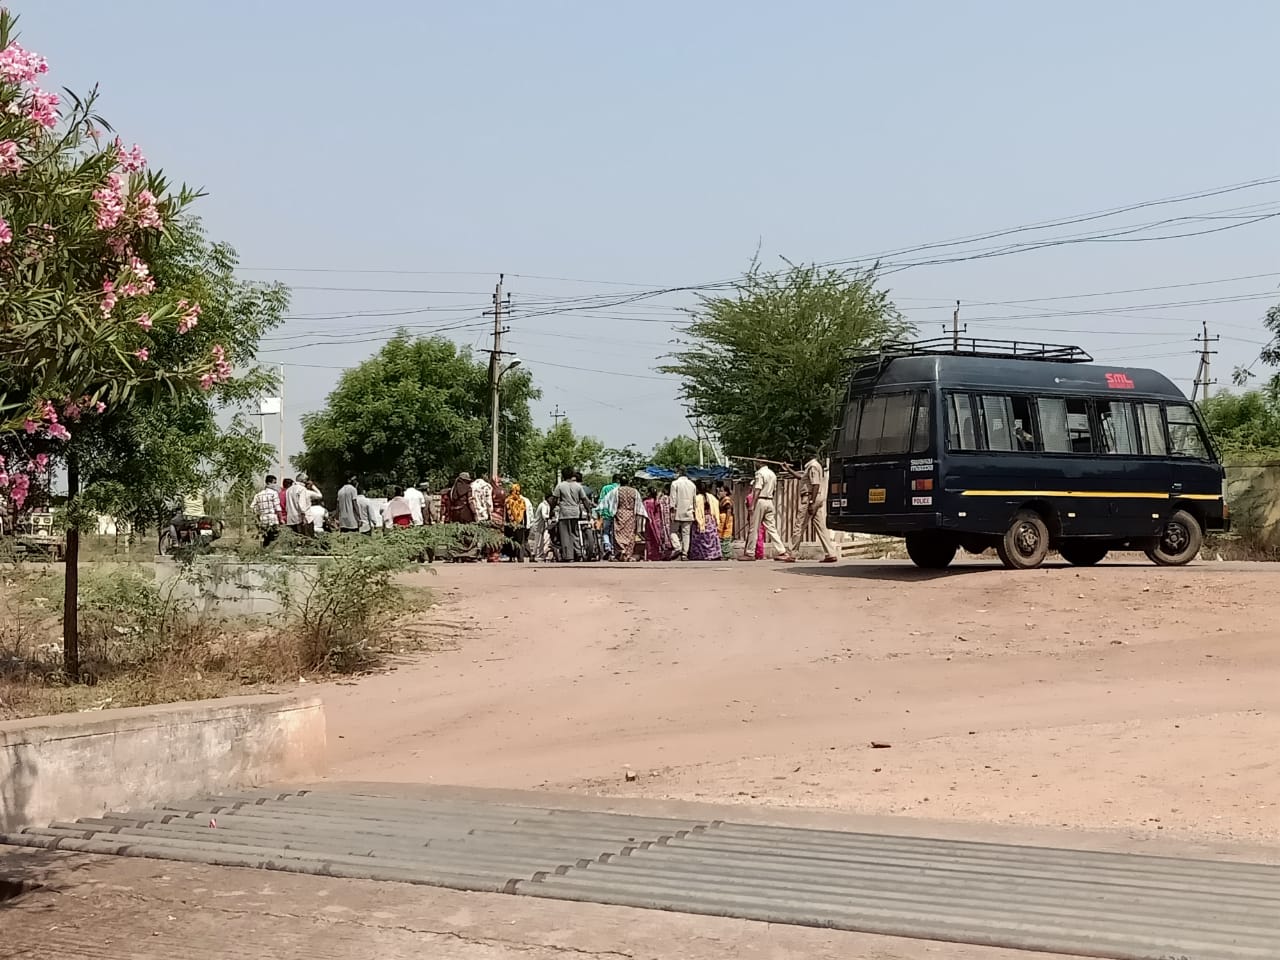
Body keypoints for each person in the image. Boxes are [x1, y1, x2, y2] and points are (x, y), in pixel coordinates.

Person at [790, 451, 838, 563]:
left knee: (800, 525)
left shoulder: (812, 466)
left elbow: (815, 484)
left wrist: (811, 501)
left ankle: (792, 553)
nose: (803, 456)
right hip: (815, 497)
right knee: (820, 527)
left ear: (809, 455)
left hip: (810, 497)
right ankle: (830, 553)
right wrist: (788, 469)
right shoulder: (813, 466)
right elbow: (802, 477)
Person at [741, 460, 793, 562]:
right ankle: (782, 551)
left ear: (760, 463)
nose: (755, 464)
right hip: (769, 501)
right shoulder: (772, 474)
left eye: (756, 462)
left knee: (754, 527)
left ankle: (750, 552)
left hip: (760, 500)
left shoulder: (760, 473)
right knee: (772, 528)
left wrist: (753, 504)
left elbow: (757, 489)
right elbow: (773, 490)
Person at [552, 467, 587, 562]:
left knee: (565, 535)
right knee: (575, 533)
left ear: (563, 475)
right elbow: (584, 500)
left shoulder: (560, 486)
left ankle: (569, 556)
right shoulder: (578, 486)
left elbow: (554, 499)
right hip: (575, 512)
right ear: (572, 475)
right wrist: (589, 511)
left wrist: (551, 510)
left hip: (565, 513)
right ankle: (579, 554)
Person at [669, 467, 697, 561]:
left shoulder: (675, 484)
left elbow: (672, 499)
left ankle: (677, 547)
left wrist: (672, 512)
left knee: (672, 531)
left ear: (679, 473)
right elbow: (694, 501)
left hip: (677, 512)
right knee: (686, 534)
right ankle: (684, 554)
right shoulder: (692, 485)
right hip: (689, 512)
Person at [690, 480, 721, 560]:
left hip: (700, 520)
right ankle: (713, 555)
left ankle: (700, 555)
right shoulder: (711, 497)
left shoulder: (696, 498)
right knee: (711, 538)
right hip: (710, 519)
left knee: (700, 539)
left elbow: (694, 509)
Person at [612, 480, 643, 561]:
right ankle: (628, 554)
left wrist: (613, 512)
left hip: (620, 513)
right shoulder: (634, 491)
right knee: (630, 534)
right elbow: (638, 504)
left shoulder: (617, 491)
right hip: (631, 514)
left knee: (618, 533)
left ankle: (621, 550)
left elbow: (613, 503)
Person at [643, 486, 672, 561]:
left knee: (649, 539)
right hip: (658, 522)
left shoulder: (646, 502)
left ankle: (650, 556)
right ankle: (658, 555)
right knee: (658, 538)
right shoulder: (658, 502)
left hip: (649, 522)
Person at [252, 474, 281, 547]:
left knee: (265, 537)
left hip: (263, 519)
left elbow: (253, 507)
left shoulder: (258, 495)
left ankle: (264, 550)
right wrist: (281, 518)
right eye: (274, 483)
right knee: (274, 537)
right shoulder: (274, 493)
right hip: (273, 518)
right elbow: (277, 507)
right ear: (268, 483)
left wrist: (257, 518)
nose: (275, 485)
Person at [504, 482, 529, 561]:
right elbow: (525, 513)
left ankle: (511, 557)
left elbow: (506, 513)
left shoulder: (508, 500)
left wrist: (505, 523)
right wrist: (525, 523)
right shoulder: (522, 501)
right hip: (520, 523)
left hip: (510, 523)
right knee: (520, 540)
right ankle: (520, 557)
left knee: (511, 540)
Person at [597, 474, 620, 557]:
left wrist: (599, 513)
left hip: (606, 513)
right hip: (618, 514)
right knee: (616, 532)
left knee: (606, 532)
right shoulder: (621, 488)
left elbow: (601, 500)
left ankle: (608, 547)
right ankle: (615, 548)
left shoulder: (605, 488)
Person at [717, 482, 735, 559]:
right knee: (721, 537)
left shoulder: (726, 500)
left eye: (721, 491)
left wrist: (726, 523)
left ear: (726, 492)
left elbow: (729, 511)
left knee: (726, 537)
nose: (720, 492)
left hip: (726, 519)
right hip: (722, 519)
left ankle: (727, 555)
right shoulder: (722, 499)